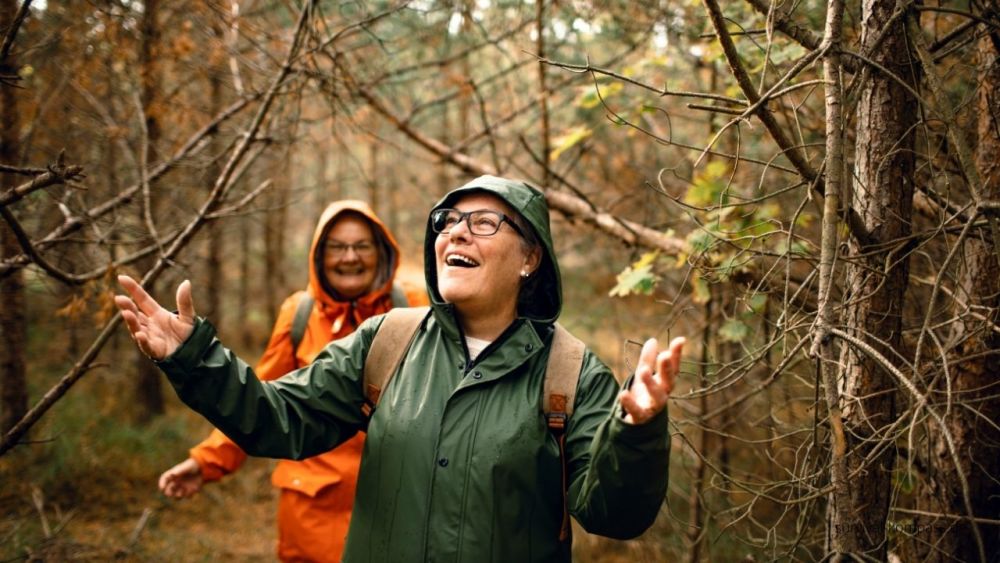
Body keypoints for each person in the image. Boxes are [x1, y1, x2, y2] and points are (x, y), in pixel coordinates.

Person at [116, 175, 686, 562]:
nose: (455, 232)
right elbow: (277, 418)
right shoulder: (387, 342)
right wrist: (195, 356)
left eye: (485, 223)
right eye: (448, 221)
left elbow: (614, 515)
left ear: (531, 259)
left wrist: (635, 434)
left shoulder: (572, 372)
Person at [155, 201, 424, 562]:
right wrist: (206, 462)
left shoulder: (413, 307)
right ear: (318, 255)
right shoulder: (298, 313)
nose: (350, 257)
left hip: (396, 506)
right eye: (337, 247)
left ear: (382, 252)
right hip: (312, 510)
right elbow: (261, 399)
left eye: (362, 246)